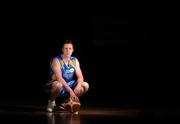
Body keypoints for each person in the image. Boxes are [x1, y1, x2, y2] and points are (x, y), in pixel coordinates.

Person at [46, 39, 89, 112]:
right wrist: (70, 91)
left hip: (68, 84)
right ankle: (51, 102)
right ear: (62, 49)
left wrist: (78, 86)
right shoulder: (56, 60)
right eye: (66, 48)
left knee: (85, 85)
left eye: (70, 48)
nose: (68, 50)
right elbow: (59, 78)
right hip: (55, 85)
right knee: (58, 84)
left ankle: (66, 103)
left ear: (73, 50)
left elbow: (80, 76)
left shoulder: (74, 60)